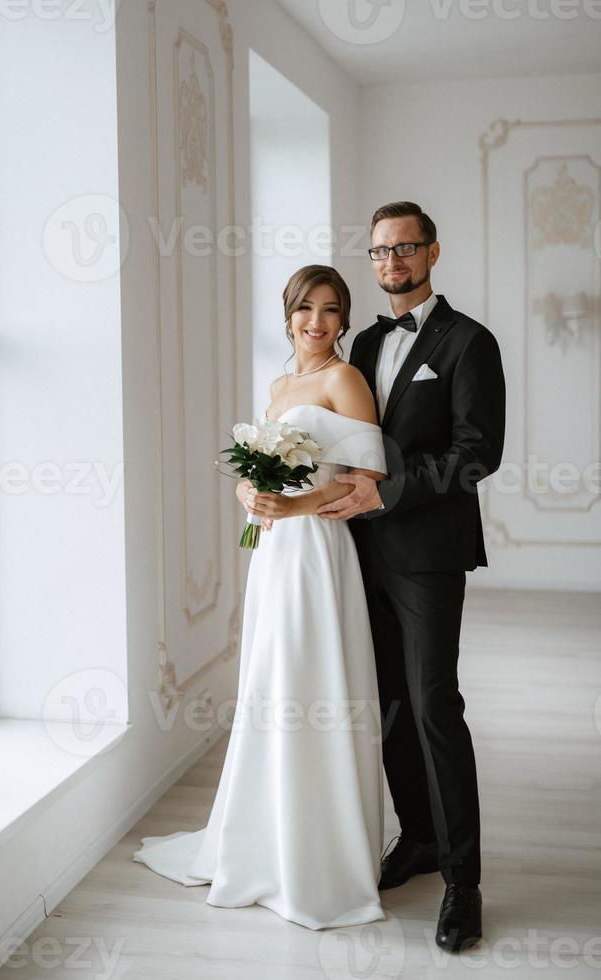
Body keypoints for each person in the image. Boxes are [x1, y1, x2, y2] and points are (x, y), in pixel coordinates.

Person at [133, 265, 390, 931]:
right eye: (306, 308)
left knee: (313, 681)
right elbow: (257, 477)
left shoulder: (345, 380)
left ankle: (320, 852)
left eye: (331, 310)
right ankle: (264, 837)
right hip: (272, 553)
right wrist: (248, 496)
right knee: (271, 683)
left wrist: (297, 502)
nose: (317, 321)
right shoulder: (279, 386)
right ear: (287, 315)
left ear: (343, 320)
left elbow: (366, 480)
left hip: (318, 554)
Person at [316, 201, 506, 952]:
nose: (390, 261)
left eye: (404, 248)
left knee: (433, 706)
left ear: (432, 252)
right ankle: (420, 838)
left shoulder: (470, 343)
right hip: (360, 552)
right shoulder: (362, 341)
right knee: (389, 704)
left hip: (428, 554)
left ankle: (464, 884)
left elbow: (476, 453)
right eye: (379, 252)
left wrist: (387, 493)